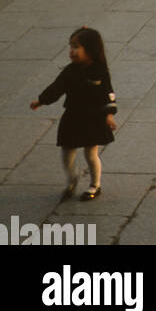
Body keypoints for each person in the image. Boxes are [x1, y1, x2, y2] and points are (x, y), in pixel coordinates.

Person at [31, 26, 117, 203]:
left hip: (93, 118)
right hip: (73, 116)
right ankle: (72, 179)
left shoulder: (99, 71)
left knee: (91, 154)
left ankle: (95, 184)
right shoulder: (70, 70)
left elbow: (108, 93)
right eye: (71, 46)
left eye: (76, 46)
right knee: (67, 152)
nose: (72, 51)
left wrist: (109, 114)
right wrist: (41, 100)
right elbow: (57, 88)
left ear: (91, 50)